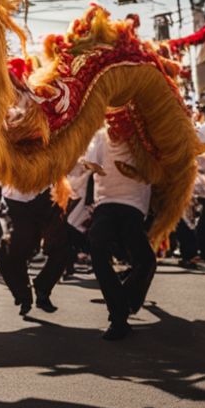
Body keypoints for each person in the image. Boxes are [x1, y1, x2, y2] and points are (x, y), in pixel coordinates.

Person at [84, 124, 155, 340]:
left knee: (146, 261)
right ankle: (119, 315)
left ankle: (124, 304)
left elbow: (158, 167)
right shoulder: (100, 135)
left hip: (133, 207)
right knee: (97, 248)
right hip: (106, 203)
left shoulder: (145, 136)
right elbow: (90, 163)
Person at [0, 183, 70, 316]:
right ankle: (23, 295)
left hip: (46, 196)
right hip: (15, 200)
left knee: (65, 243)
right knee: (13, 250)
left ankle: (43, 287)